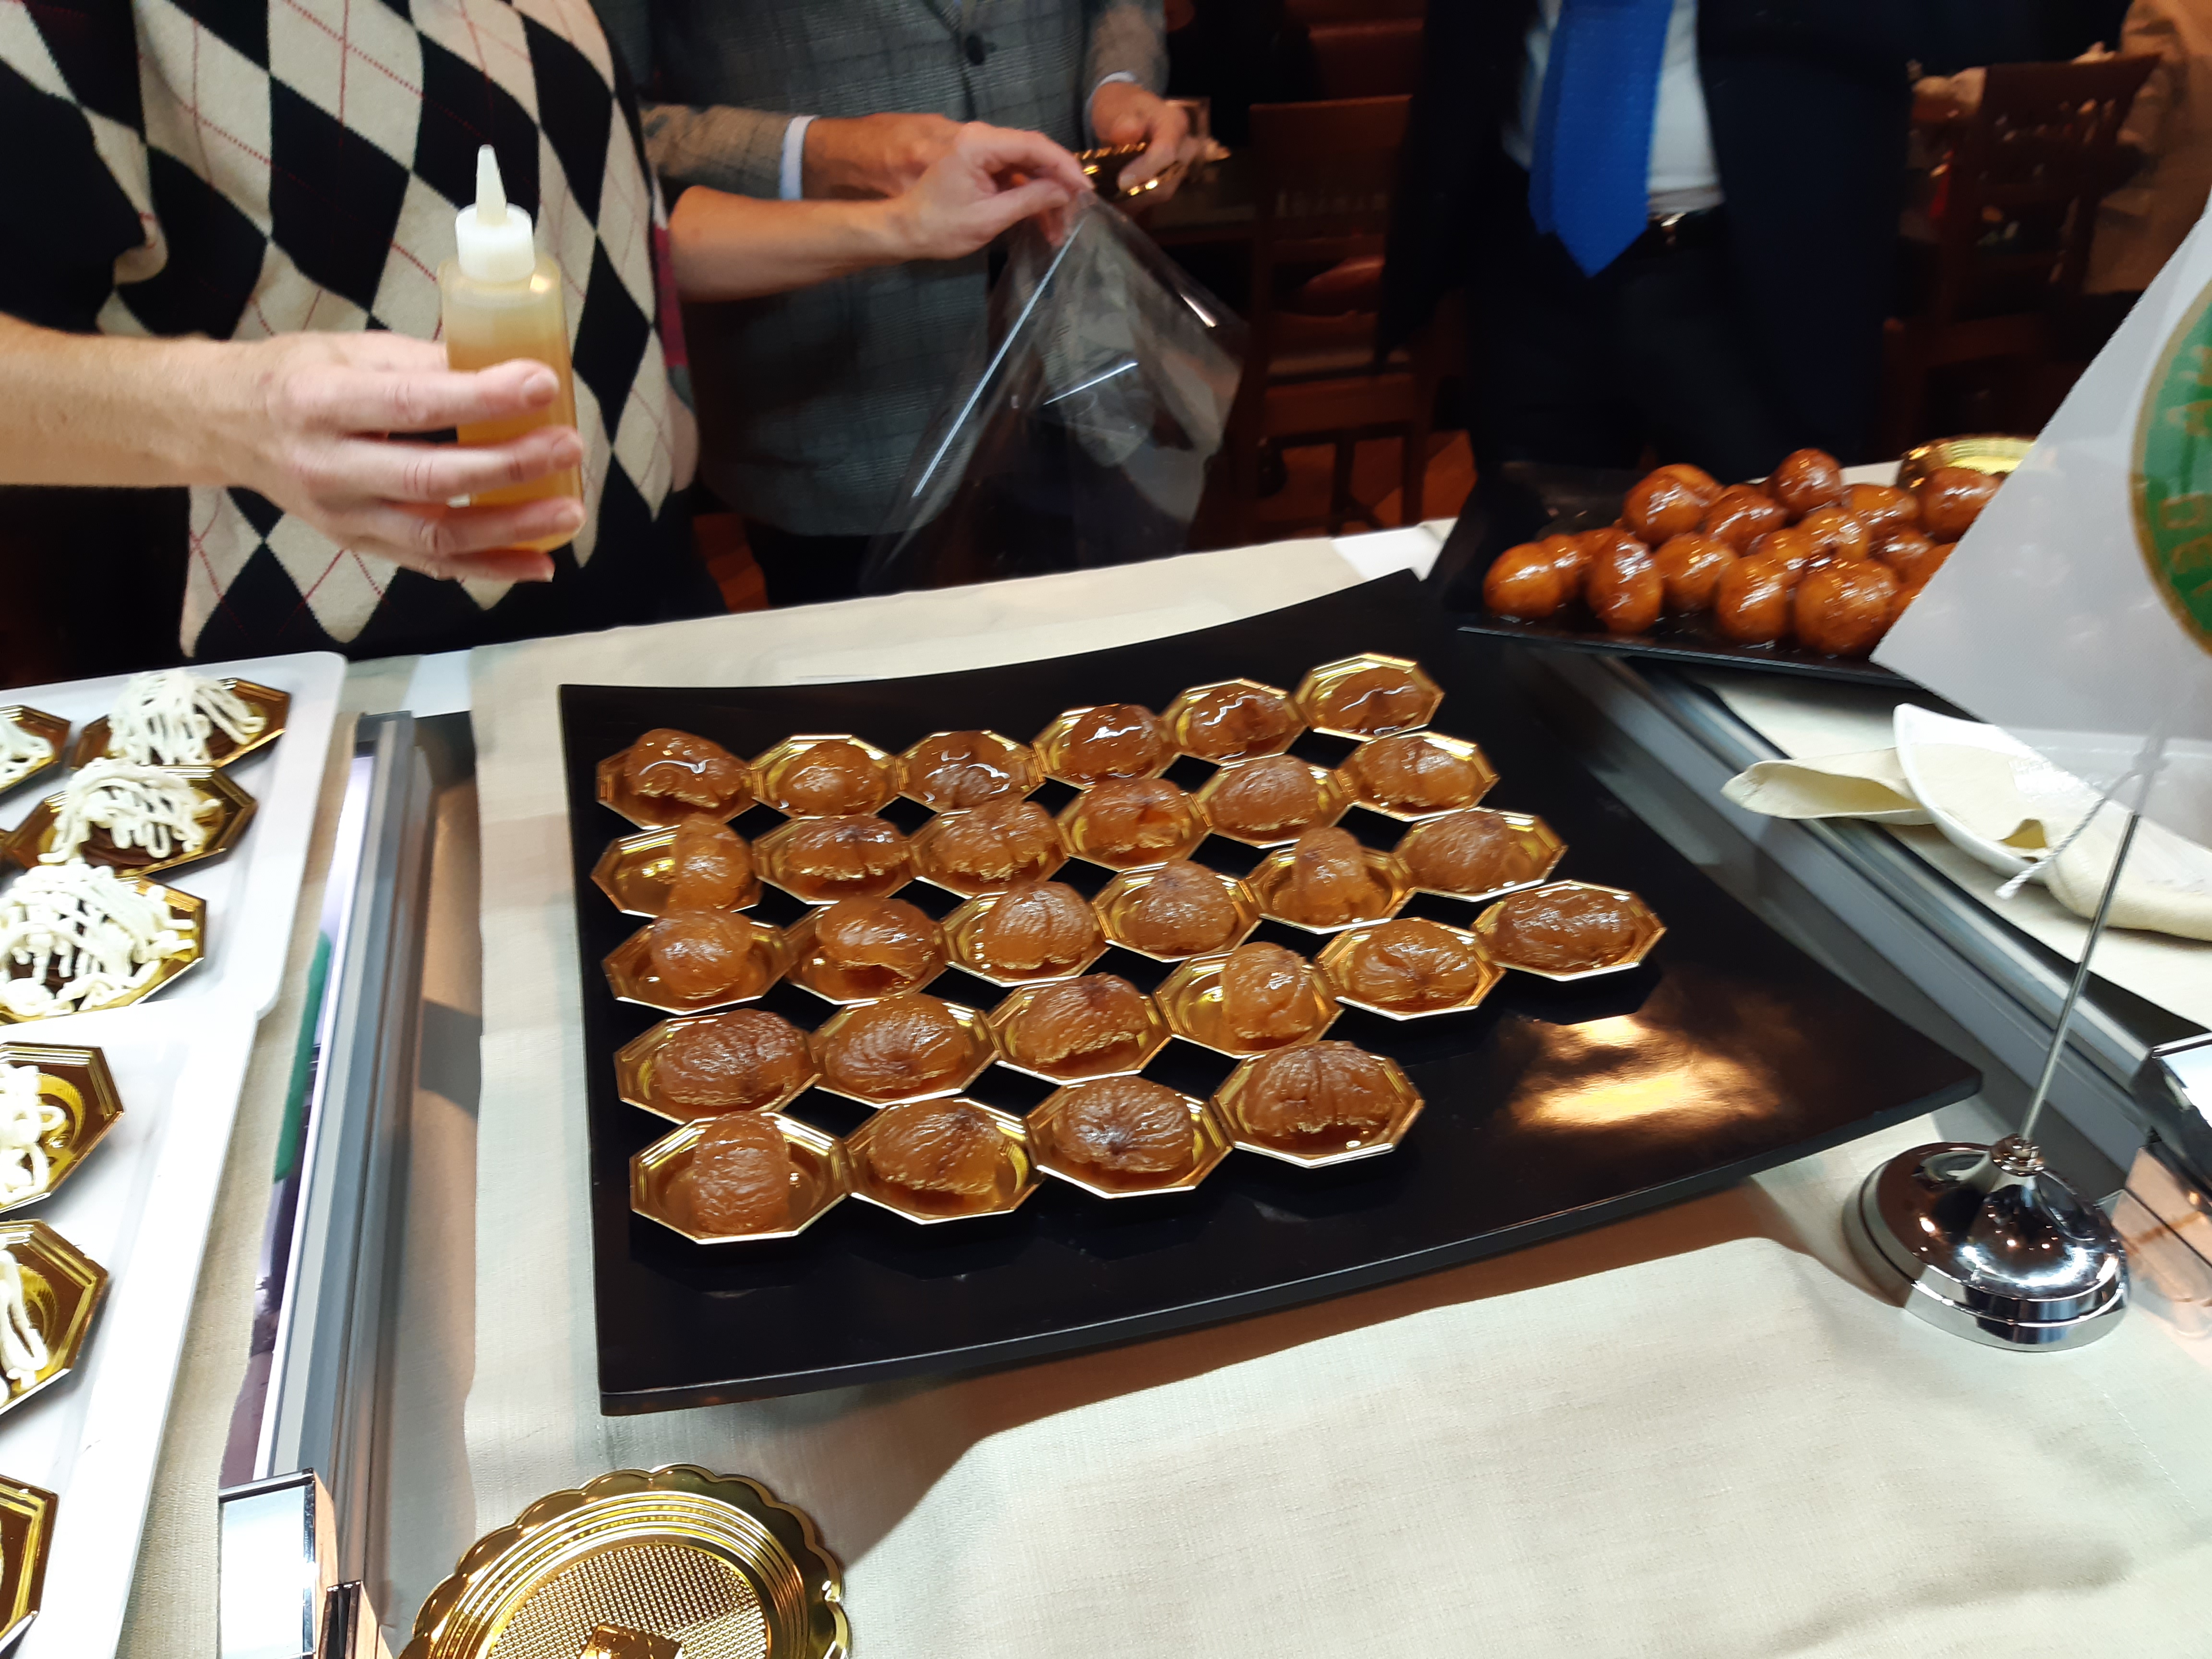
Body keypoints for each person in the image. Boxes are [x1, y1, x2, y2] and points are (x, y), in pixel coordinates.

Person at [0, 1, 1086, 660]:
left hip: (642, 602)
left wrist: (900, 226)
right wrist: (230, 411)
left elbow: (596, 226)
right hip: (364, 676)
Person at [592, 0, 1190, 606]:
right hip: (834, 390)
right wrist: (822, 152)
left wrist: (1117, 82)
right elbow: (596, 118)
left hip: (1087, 341)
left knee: (1118, 646)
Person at [1382, 1, 2041, 484]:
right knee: (1526, 570)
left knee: (1767, 576)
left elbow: (1997, 24)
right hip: (1531, 264)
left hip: (1757, 287)